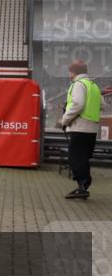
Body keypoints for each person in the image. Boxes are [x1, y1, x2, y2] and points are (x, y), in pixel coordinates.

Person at [61, 60, 101, 200]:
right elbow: (102, 104)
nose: (68, 74)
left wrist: (65, 120)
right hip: (92, 128)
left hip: (80, 127)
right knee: (84, 158)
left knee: (76, 158)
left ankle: (82, 186)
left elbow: (78, 104)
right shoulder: (93, 85)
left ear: (73, 72)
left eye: (69, 71)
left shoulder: (78, 84)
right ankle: (83, 186)